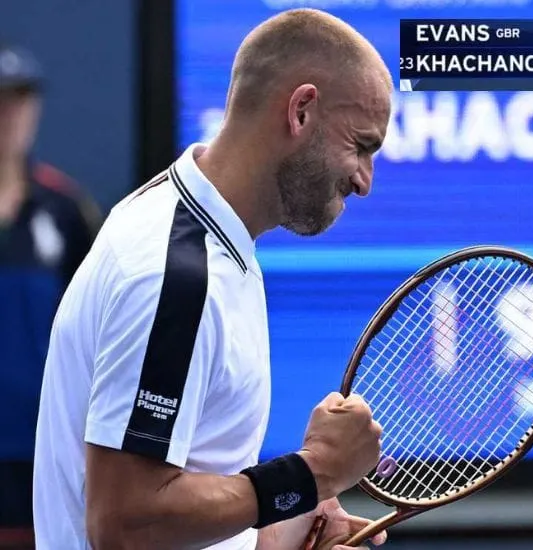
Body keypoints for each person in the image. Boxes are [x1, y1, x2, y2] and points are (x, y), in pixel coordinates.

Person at [32, 8, 393, 550]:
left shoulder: (193, 227)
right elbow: (126, 523)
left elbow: (178, 502)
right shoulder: (175, 274)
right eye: (361, 145)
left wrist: (282, 528)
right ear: (301, 111)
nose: (364, 181)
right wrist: (311, 474)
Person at [0, 43, 101, 547]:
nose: (9, 116)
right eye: (0, 100)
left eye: (19, 100)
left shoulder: (65, 209)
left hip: (42, 451)